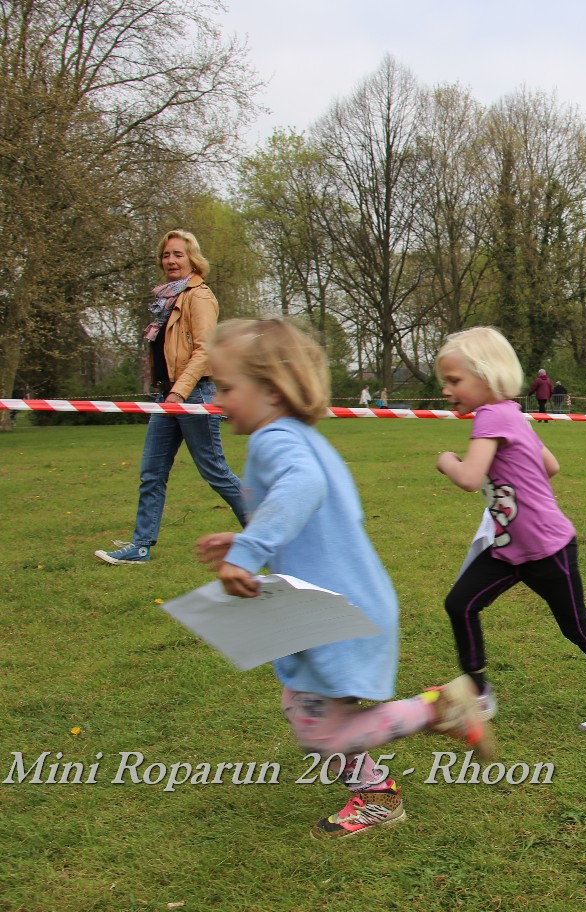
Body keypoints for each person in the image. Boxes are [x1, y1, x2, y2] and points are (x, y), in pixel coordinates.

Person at [194, 318, 490, 839]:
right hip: (339, 604)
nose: (217, 402)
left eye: (226, 387)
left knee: (319, 731)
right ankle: (376, 789)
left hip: (333, 610)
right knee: (301, 706)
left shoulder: (274, 440)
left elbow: (302, 486)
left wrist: (250, 549)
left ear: (270, 389)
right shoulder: (297, 437)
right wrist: (246, 537)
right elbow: (311, 516)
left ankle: (436, 712)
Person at [434, 327, 586, 731]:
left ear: (485, 376)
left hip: (547, 549)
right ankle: (477, 694)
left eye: (454, 380)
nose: (446, 390)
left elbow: (468, 477)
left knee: (576, 624)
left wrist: (447, 460)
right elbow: (550, 465)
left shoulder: (491, 416)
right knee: (461, 604)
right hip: (509, 549)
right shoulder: (511, 414)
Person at [95, 229, 247, 565]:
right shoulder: (167, 300)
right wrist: (168, 392)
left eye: (178, 254)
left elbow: (205, 350)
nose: (171, 260)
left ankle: (265, 536)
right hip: (167, 396)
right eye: (166, 255)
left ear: (193, 259)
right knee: (152, 471)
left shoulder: (199, 297)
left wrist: (179, 391)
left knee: (215, 471)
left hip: (192, 394)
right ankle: (141, 546)